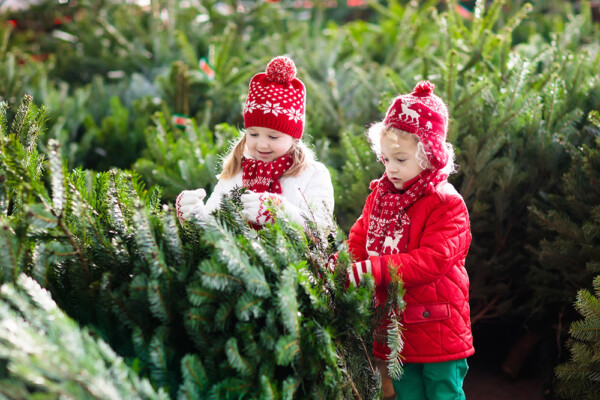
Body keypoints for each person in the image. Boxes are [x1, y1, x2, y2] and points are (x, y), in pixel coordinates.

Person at [346, 81, 473, 400]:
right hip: (396, 327)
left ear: (428, 156)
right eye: (386, 159)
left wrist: (373, 269)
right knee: (407, 391)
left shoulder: (446, 203)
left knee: (442, 391)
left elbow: (433, 260)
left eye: (401, 160)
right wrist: (347, 268)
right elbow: (360, 238)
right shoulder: (381, 197)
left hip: (438, 324)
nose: (391, 169)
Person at [175, 56, 334, 230]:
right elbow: (214, 228)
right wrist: (194, 215)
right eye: (253, 134)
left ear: (294, 137)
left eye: (273, 137)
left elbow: (323, 229)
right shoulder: (237, 172)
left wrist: (280, 212)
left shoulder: (312, 174)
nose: (261, 144)